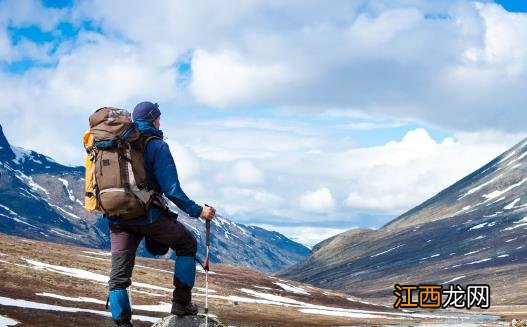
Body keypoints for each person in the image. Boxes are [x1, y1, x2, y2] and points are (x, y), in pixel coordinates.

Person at [107, 101, 215, 327]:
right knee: (187, 244)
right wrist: (198, 211)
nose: (160, 121)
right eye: (159, 117)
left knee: (119, 277)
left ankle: (123, 324)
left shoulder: (114, 144)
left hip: (117, 216)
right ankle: (181, 303)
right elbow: (171, 189)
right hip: (147, 216)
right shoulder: (157, 146)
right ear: (154, 119)